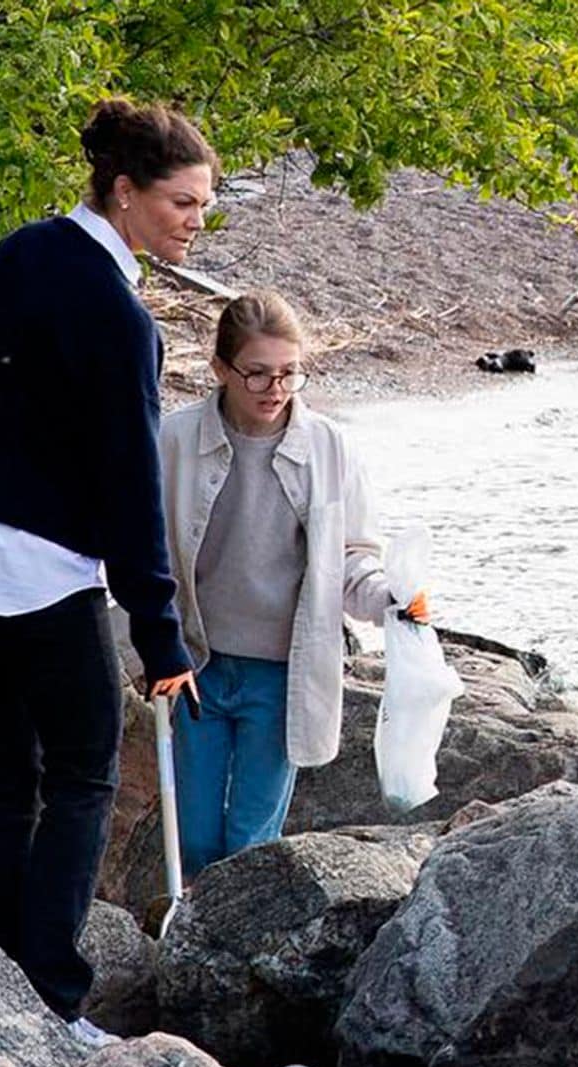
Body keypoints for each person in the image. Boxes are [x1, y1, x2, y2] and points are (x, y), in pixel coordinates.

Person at [0, 98, 216, 1048]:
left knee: (1, 776)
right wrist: (161, 636)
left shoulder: (14, 254)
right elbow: (126, 489)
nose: (196, 221)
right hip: (45, 573)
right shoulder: (117, 314)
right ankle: (58, 1001)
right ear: (124, 191)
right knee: (82, 776)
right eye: (183, 202)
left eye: (203, 205)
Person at [158, 289, 429, 878]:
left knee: (252, 842)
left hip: (283, 675)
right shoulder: (173, 440)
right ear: (220, 370)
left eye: (288, 374)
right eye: (256, 374)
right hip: (194, 667)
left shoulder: (330, 445)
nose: (274, 390)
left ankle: (231, 960)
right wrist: (143, 648)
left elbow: (354, 556)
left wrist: (391, 598)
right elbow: (140, 555)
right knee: (194, 839)